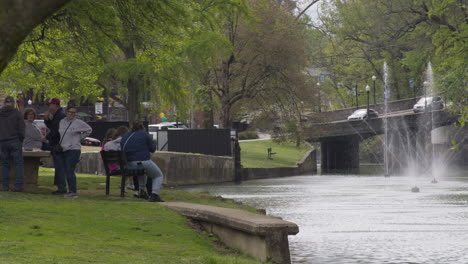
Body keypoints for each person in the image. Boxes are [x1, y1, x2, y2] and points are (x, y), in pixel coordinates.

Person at [121, 121, 164, 202]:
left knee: (144, 171)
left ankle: (141, 191)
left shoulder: (126, 136)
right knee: (158, 175)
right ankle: (154, 194)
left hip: (129, 164)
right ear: (142, 128)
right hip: (142, 161)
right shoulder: (144, 134)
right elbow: (153, 149)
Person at [55, 105, 92, 198]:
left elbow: (89, 130)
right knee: (63, 169)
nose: (72, 114)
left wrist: (79, 137)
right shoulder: (62, 122)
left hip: (74, 149)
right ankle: (65, 188)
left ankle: (73, 190)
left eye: (74, 112)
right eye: (70, 112)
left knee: (69, 169)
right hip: (63, 148)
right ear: (66, 112)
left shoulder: (78, 123)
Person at [0, 96, 25, 192]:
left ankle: (5, 186)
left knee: (5, 164)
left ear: (4, 103)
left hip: (3, 141)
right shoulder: (17, 113)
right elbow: (21, 129)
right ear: (13, 103)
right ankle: (18, 185)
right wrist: (21, 139)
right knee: (18, 164)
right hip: (15, 140)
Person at [44, 98, 67, 194]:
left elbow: (56, 131)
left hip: (58, 145)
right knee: (59, 166)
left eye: (49, 105)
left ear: (55, 105)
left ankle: (61, 188)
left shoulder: (60, 116)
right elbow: (53, 127)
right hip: (57, 144)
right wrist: (47, 120)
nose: (48, 107)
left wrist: (46, 137)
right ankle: (60, 186)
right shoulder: (57, 115)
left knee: (60, 166)